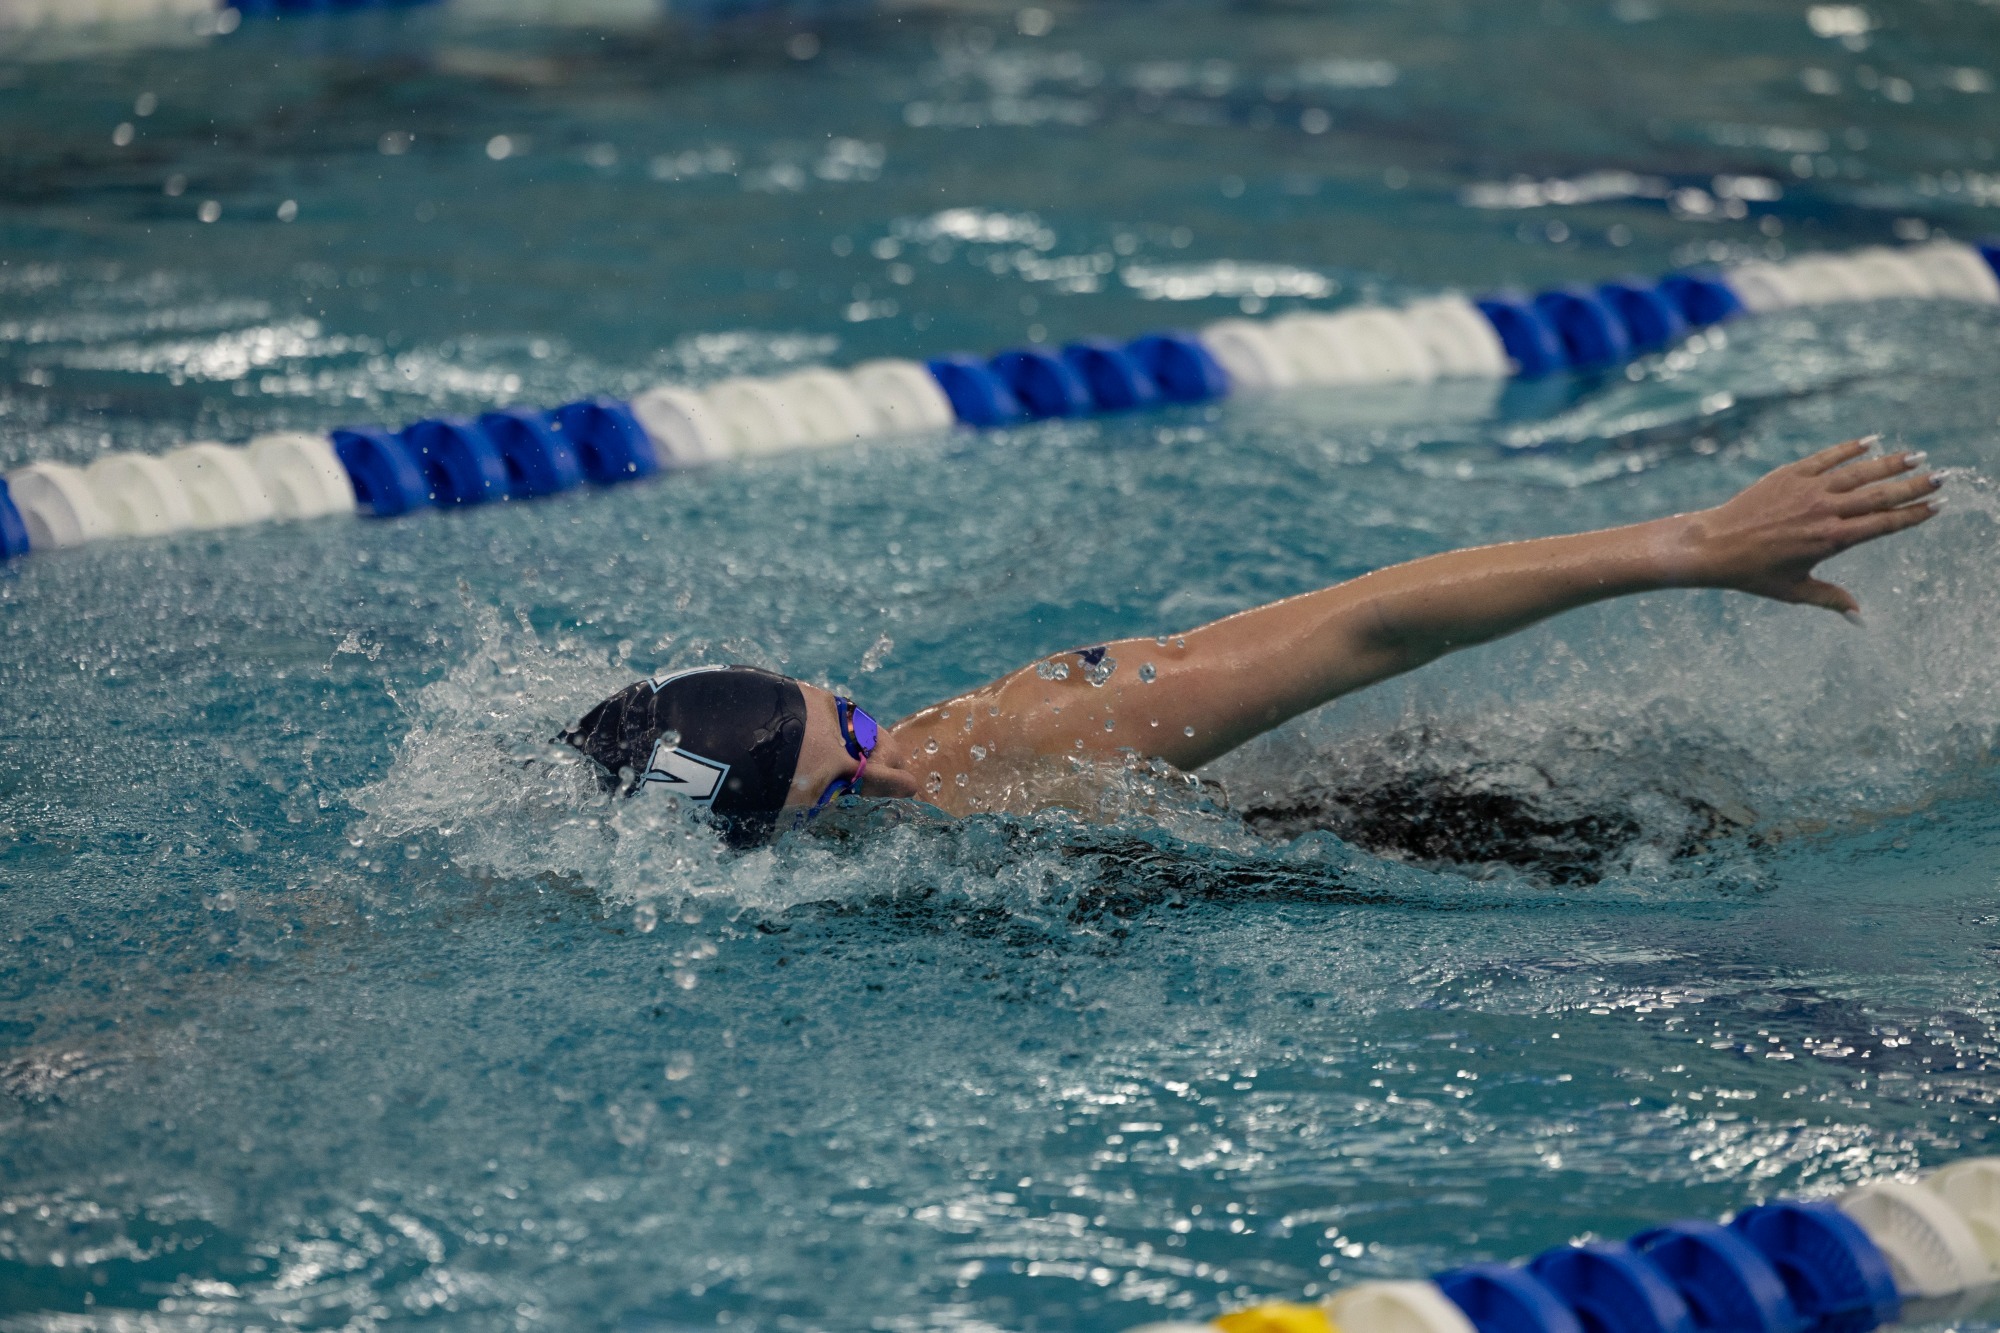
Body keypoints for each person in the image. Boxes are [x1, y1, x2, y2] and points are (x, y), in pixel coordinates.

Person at [562, 438, 1941, 847]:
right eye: (846, 779)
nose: (895, 759)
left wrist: (1691, 547)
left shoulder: (1040, 736)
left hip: (1475, 821)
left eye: (859, 721)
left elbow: (1372, 619)